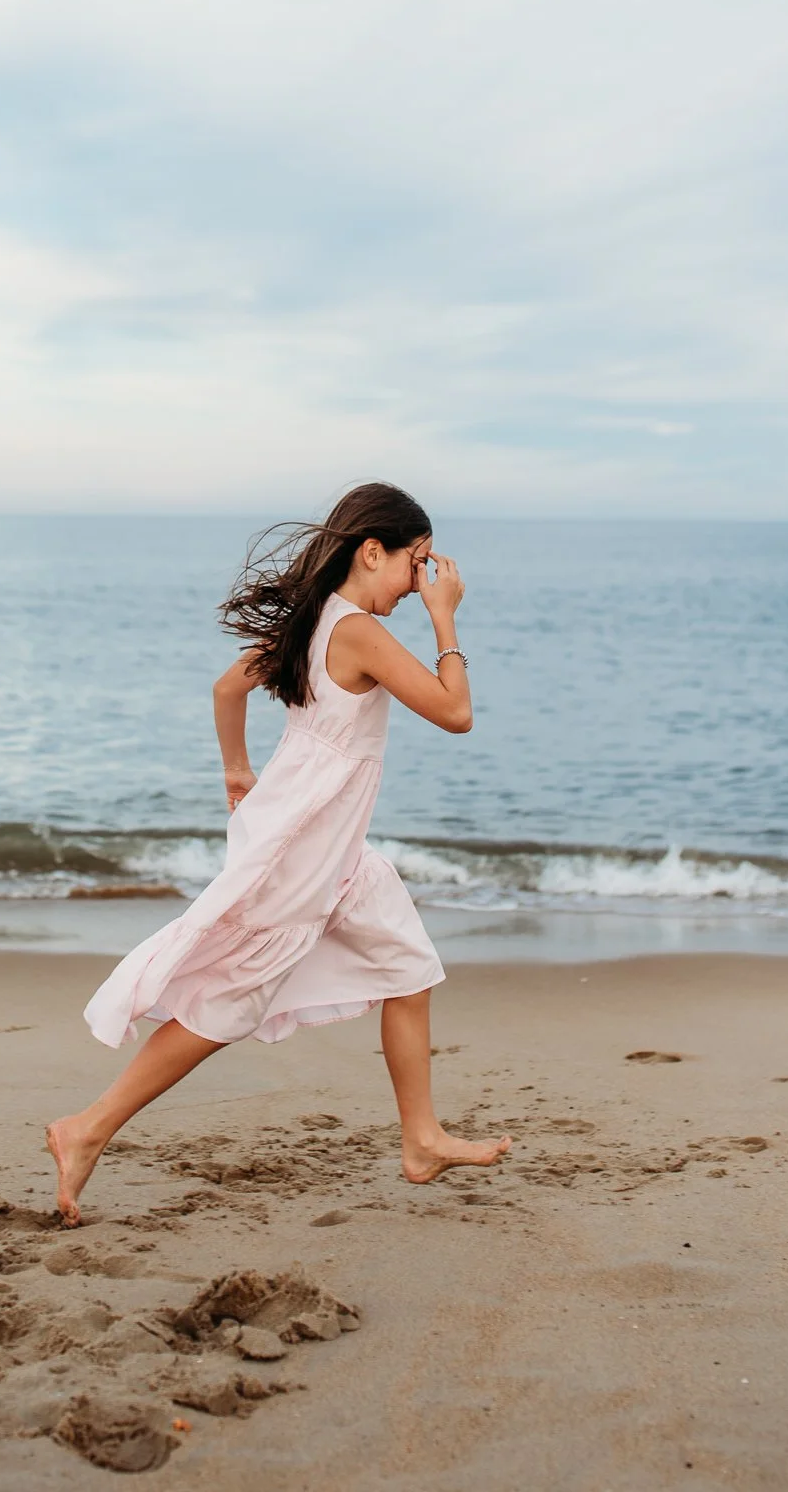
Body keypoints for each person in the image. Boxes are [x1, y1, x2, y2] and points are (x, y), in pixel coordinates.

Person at [46, 482, 512, 1225]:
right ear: (371, 551)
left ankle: (421, 1139)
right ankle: (86, 1128)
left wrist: (235, 769)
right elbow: (454, 713)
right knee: (231, 999)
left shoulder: (315, 618)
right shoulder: (357, 630)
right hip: (303, 847)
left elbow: (226, 690)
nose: (420, 578)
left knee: (407, 965)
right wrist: (445, 620)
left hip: (329, 843)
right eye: (414, 562)